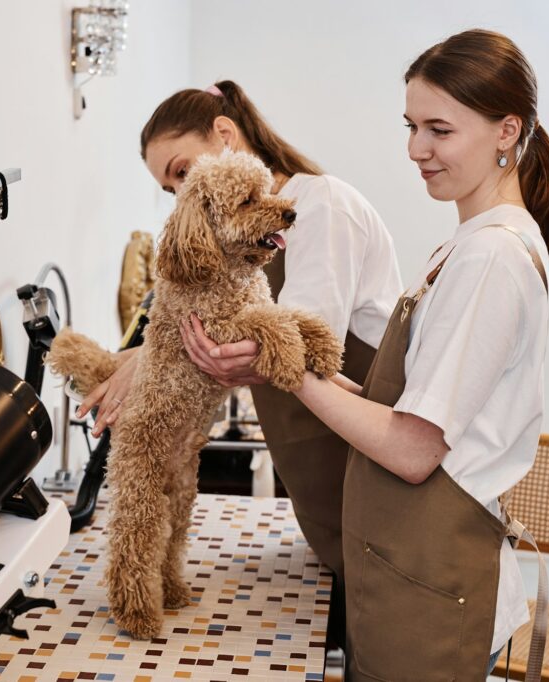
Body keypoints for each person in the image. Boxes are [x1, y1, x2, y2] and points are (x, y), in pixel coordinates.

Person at [183, 30, 549, 679]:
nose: (416, 149)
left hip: (432, 586)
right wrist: (277, 362)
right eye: (412, 126)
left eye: (439, 130)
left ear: (507, 130)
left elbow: (413, 450)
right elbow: (392, 410)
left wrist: (284, 362)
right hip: (404, 567)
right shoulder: (467, 245)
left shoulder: (492, 258)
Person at [76, 80, 403, 644]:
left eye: (181, 172)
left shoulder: (320, 206)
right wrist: (138, 359)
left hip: (365, 467)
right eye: (169, 186)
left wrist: (140, 361)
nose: (178, 193)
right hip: (318, 486)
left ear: (225, 137)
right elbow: (198, 322)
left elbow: (288, 350)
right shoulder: (235, 254)